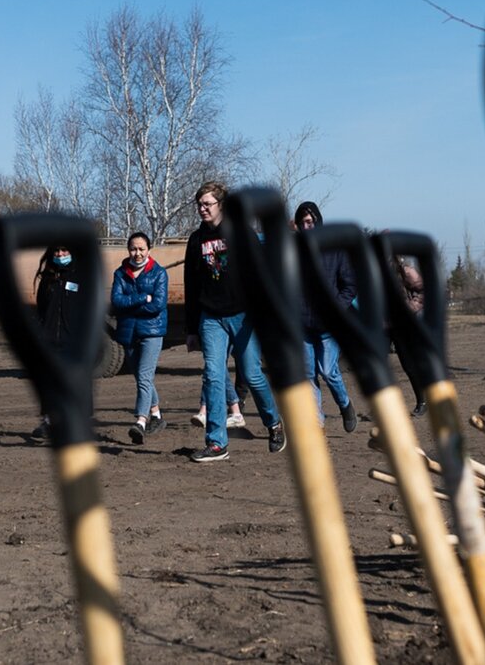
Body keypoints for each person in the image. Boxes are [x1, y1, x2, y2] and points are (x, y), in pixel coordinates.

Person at [184, 181, 284, 462]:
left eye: (207, 204)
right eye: (199, 204)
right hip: (211, 317)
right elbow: (191, 285)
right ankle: (217, 443)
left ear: (221, 206)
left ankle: (274, 423)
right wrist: (192, 329)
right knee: (213, 376)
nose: (202, 209)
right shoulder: (196, 240)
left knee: (251, 374)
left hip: (244, 316)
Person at [293, 202, 358, 433]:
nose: (306, 227)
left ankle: (345, 405)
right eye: (302, 223)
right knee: (308, 374)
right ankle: (316, 422)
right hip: (302, 325)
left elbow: (350, 286)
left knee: (328, 371)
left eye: (309, 222)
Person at [31, 244, 95, 439]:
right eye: (56, 252)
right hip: (49, 339)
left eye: (64, 251)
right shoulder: (47, 279)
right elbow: (41, 310)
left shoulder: (81, 277)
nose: (60, 255)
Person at [111, 232, 168, 444]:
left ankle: (140, 422)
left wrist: (131, 304)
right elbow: (117, 300)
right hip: (129, 332)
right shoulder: (120, 274)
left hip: (152, 332)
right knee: (141, 377)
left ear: (149, 250)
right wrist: (143, 297)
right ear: (128, 250)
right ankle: (157, 415)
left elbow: (158, 305)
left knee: (144, 377)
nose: (137, 253)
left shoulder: (159, 273)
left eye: (141, 249)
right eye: (134, 249)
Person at [392, 256, 428, 417]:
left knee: (409, 365)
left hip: (402, 324)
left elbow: (423, 290)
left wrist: (409, 307)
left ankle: (423, 401)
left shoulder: (405, 271)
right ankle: (382, 406)